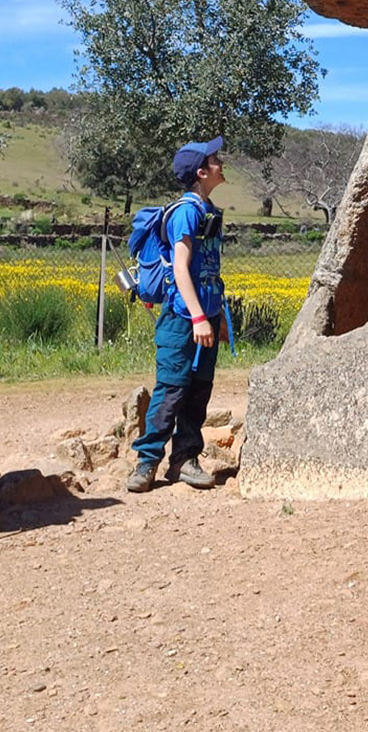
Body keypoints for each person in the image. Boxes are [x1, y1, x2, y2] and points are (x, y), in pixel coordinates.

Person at [126, 137, 230, 493]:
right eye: (215, 160)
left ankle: (185, 460)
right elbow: (182, 269)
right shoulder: (187, 211)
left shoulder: (209, 209)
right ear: (202, 172)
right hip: (182, 318)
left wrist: (217, 319)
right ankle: (146, 463)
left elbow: (209, 269)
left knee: (199, 390)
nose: (221, 163)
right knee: (171, 388)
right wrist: (199, 318)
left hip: (206, 316)